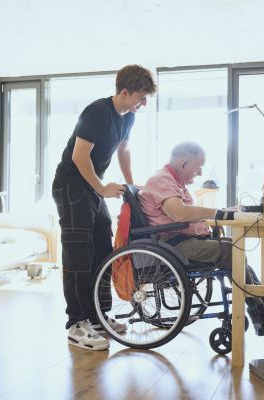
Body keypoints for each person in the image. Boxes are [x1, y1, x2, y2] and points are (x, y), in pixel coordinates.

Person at [52, 65, 157, 351]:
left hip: (91, 188)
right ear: (124, 92)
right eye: (141, 96)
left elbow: (123, 150)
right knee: (78, 254)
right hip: (72, 185)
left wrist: (132, 186)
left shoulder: (129, 116)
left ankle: (97, 317)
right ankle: (76, 324)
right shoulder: (97, 112)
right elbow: (79, 156)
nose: (144, 103)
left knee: (102, 249)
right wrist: (100, 188)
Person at [138, 141, 264, 336]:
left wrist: (228, 211)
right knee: (231, 250)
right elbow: (180, 214)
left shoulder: (175, 183)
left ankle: (260, 300)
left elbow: (189, 214)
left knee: (231, 245)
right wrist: (219, 213)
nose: (199, 174)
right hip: (172, 246)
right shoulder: (161, 180)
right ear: (183, 163)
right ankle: (260, 312)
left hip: (181, 241)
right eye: (199, 168)